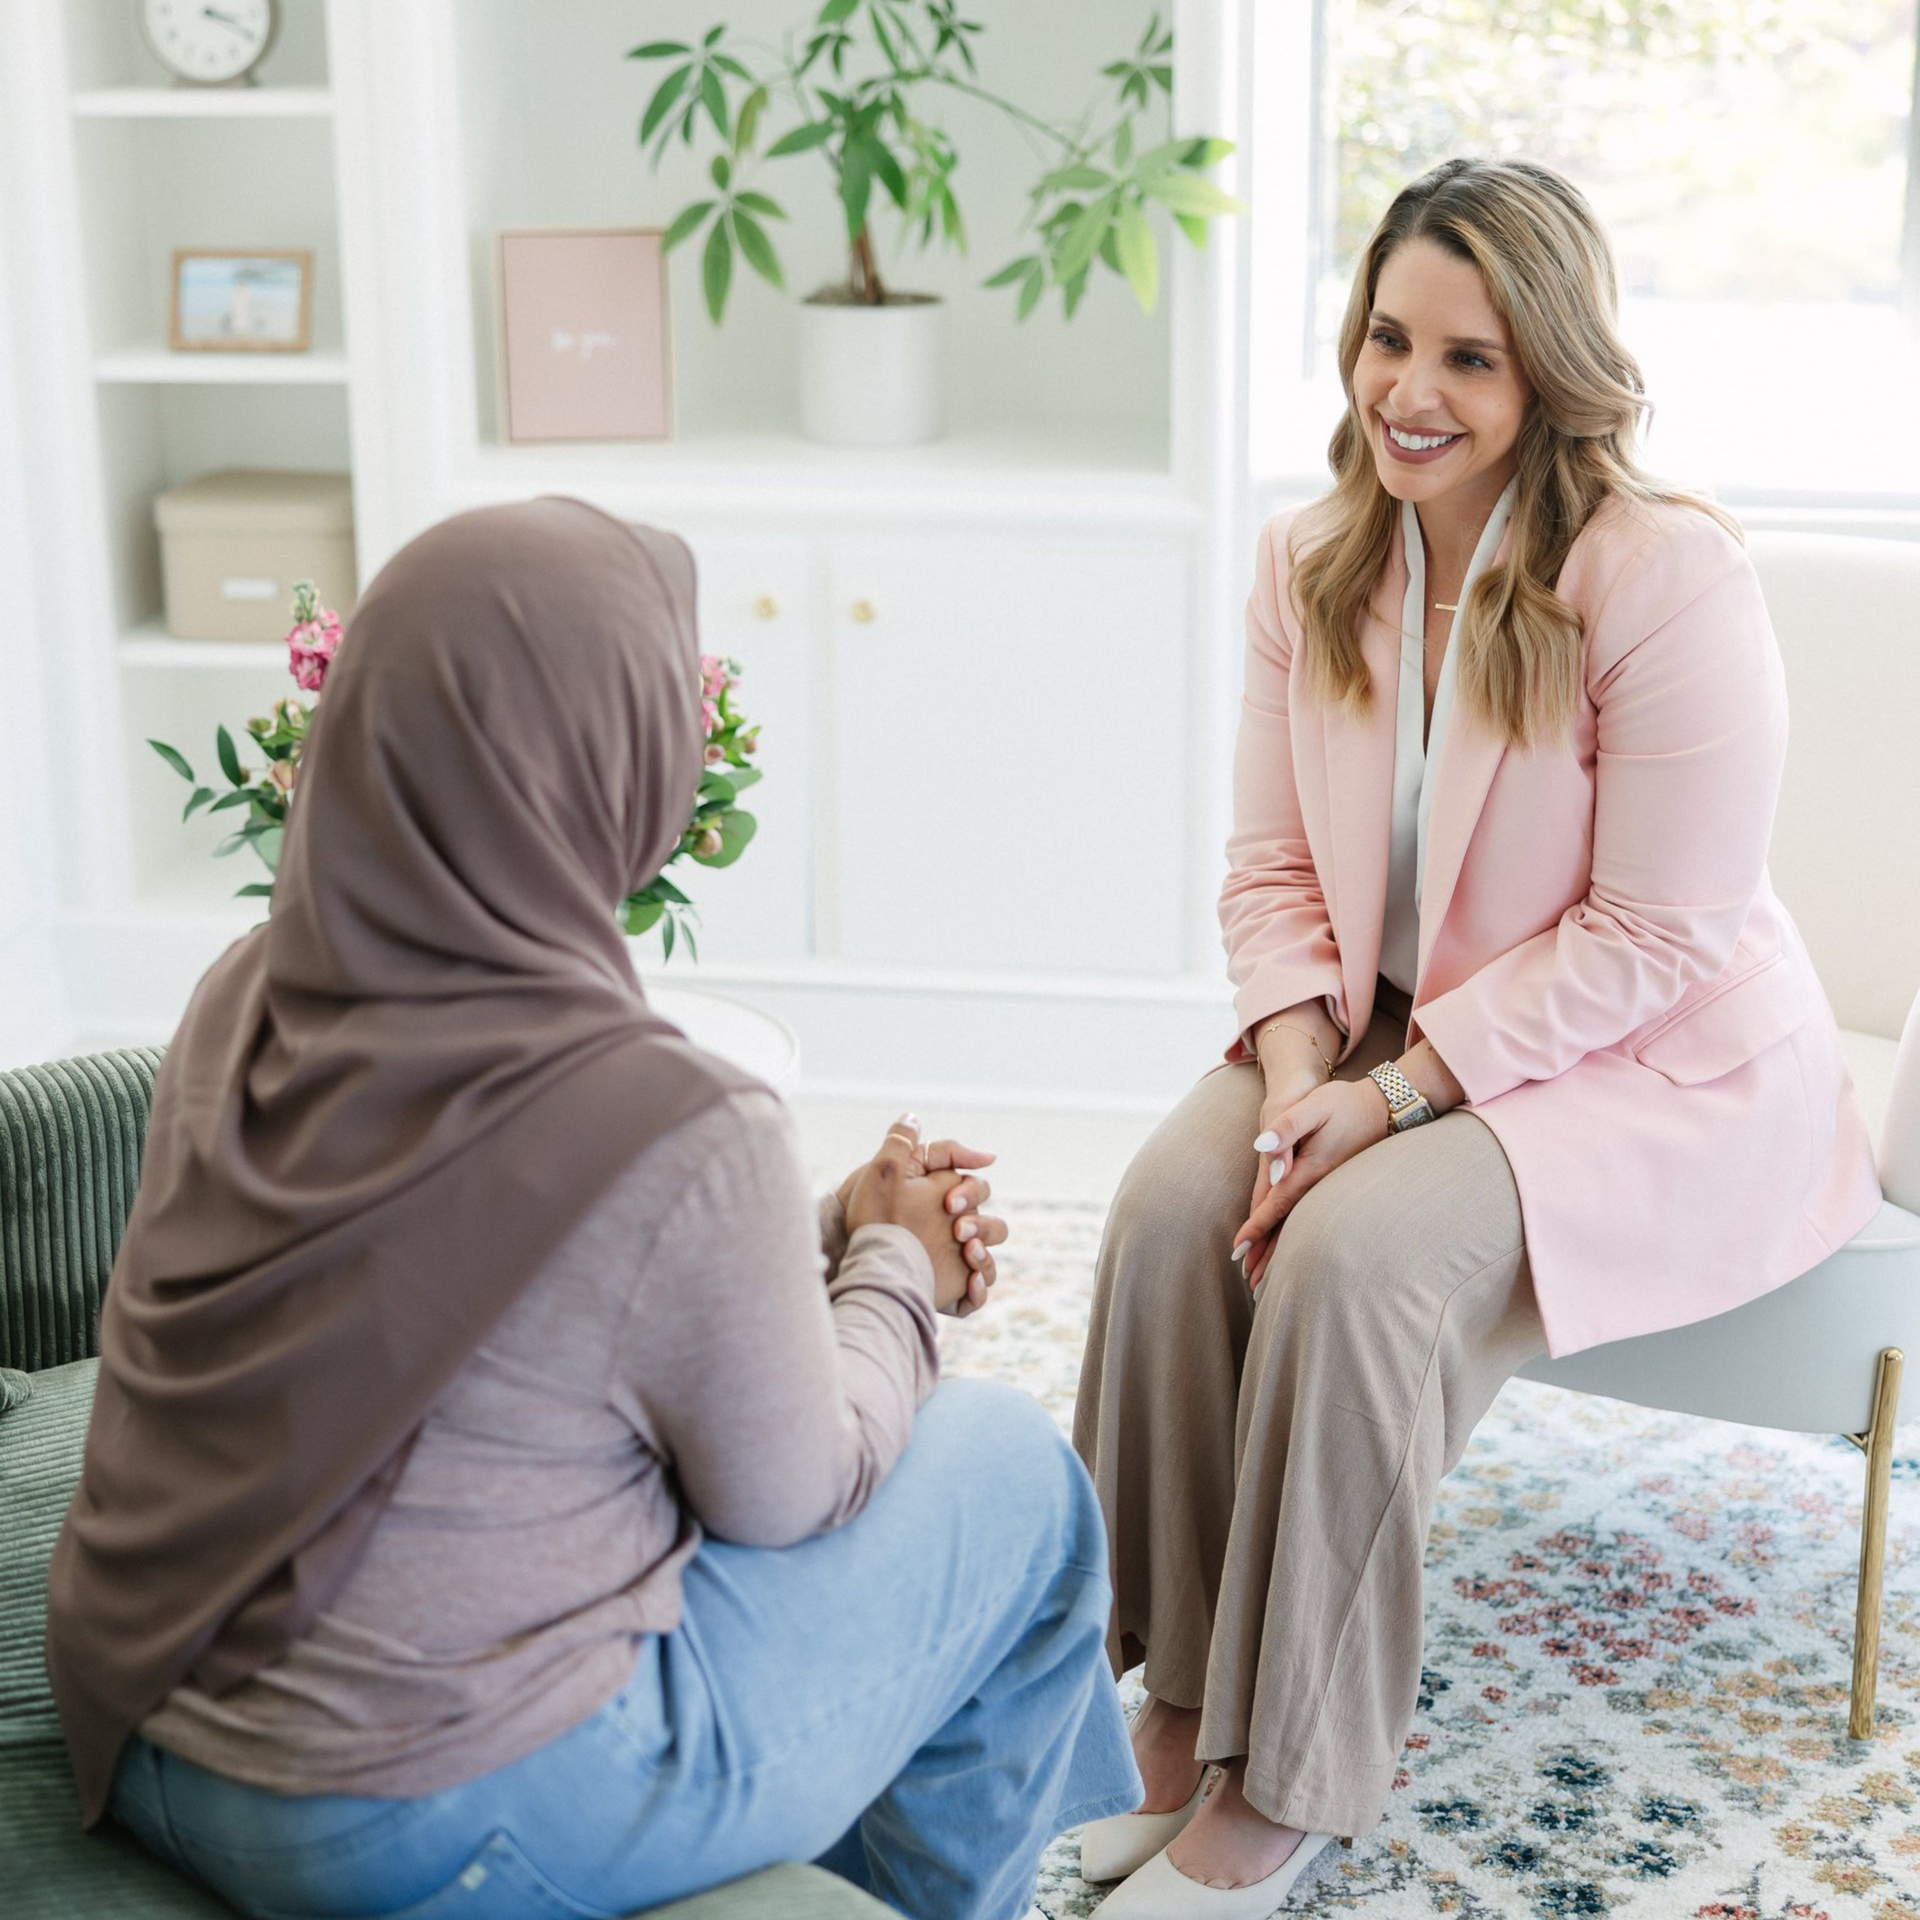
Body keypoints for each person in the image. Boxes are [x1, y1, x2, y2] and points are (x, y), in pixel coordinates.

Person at [45, 497, 1141, 1920]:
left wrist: (820, 1228)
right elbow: (796, 1489)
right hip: (417, 1814)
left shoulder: (248, 990)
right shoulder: (672, 1125)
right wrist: (898, 1270)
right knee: (1009, 1472)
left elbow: (501, 1284)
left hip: (144, 1720)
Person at [1071, 156, 1883, 1918]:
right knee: (1159, 1213)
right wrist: (1301, 1081)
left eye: (1469, 361)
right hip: (1373, 1010)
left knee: (1356, 1263)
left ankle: (1282, 1792)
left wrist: (1404, 1099)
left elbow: (1661, 931)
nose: (1408, 395)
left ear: (1551, 380)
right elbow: (1273, 861)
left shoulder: (1663, 577)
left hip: (1655, 1055)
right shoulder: (1314, 558)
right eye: (1386, 340)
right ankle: (1181, 1703)